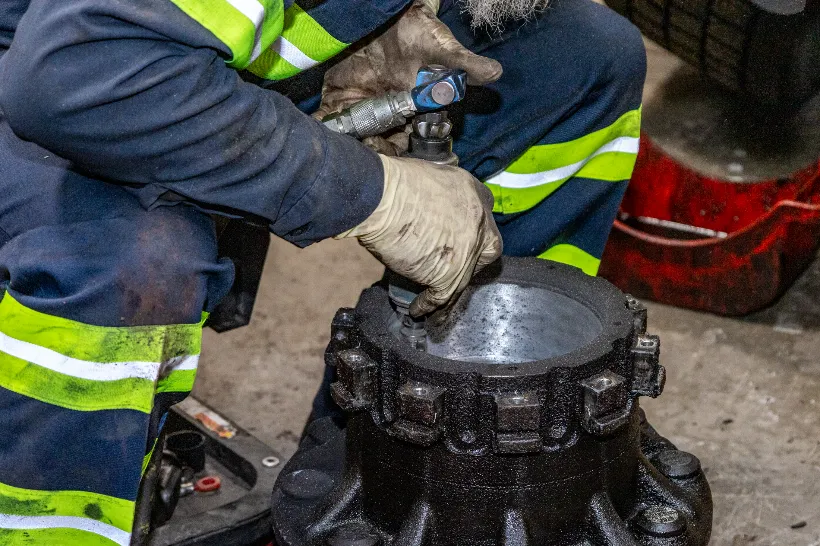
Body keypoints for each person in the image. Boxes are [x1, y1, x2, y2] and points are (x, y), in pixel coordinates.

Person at [0, 0, 645, 542]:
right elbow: (74, 75)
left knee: (584, 59)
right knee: (136, 263)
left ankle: (371, 461)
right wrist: (374, 192)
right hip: (56, 75)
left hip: (131, 50)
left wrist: (375, 26)